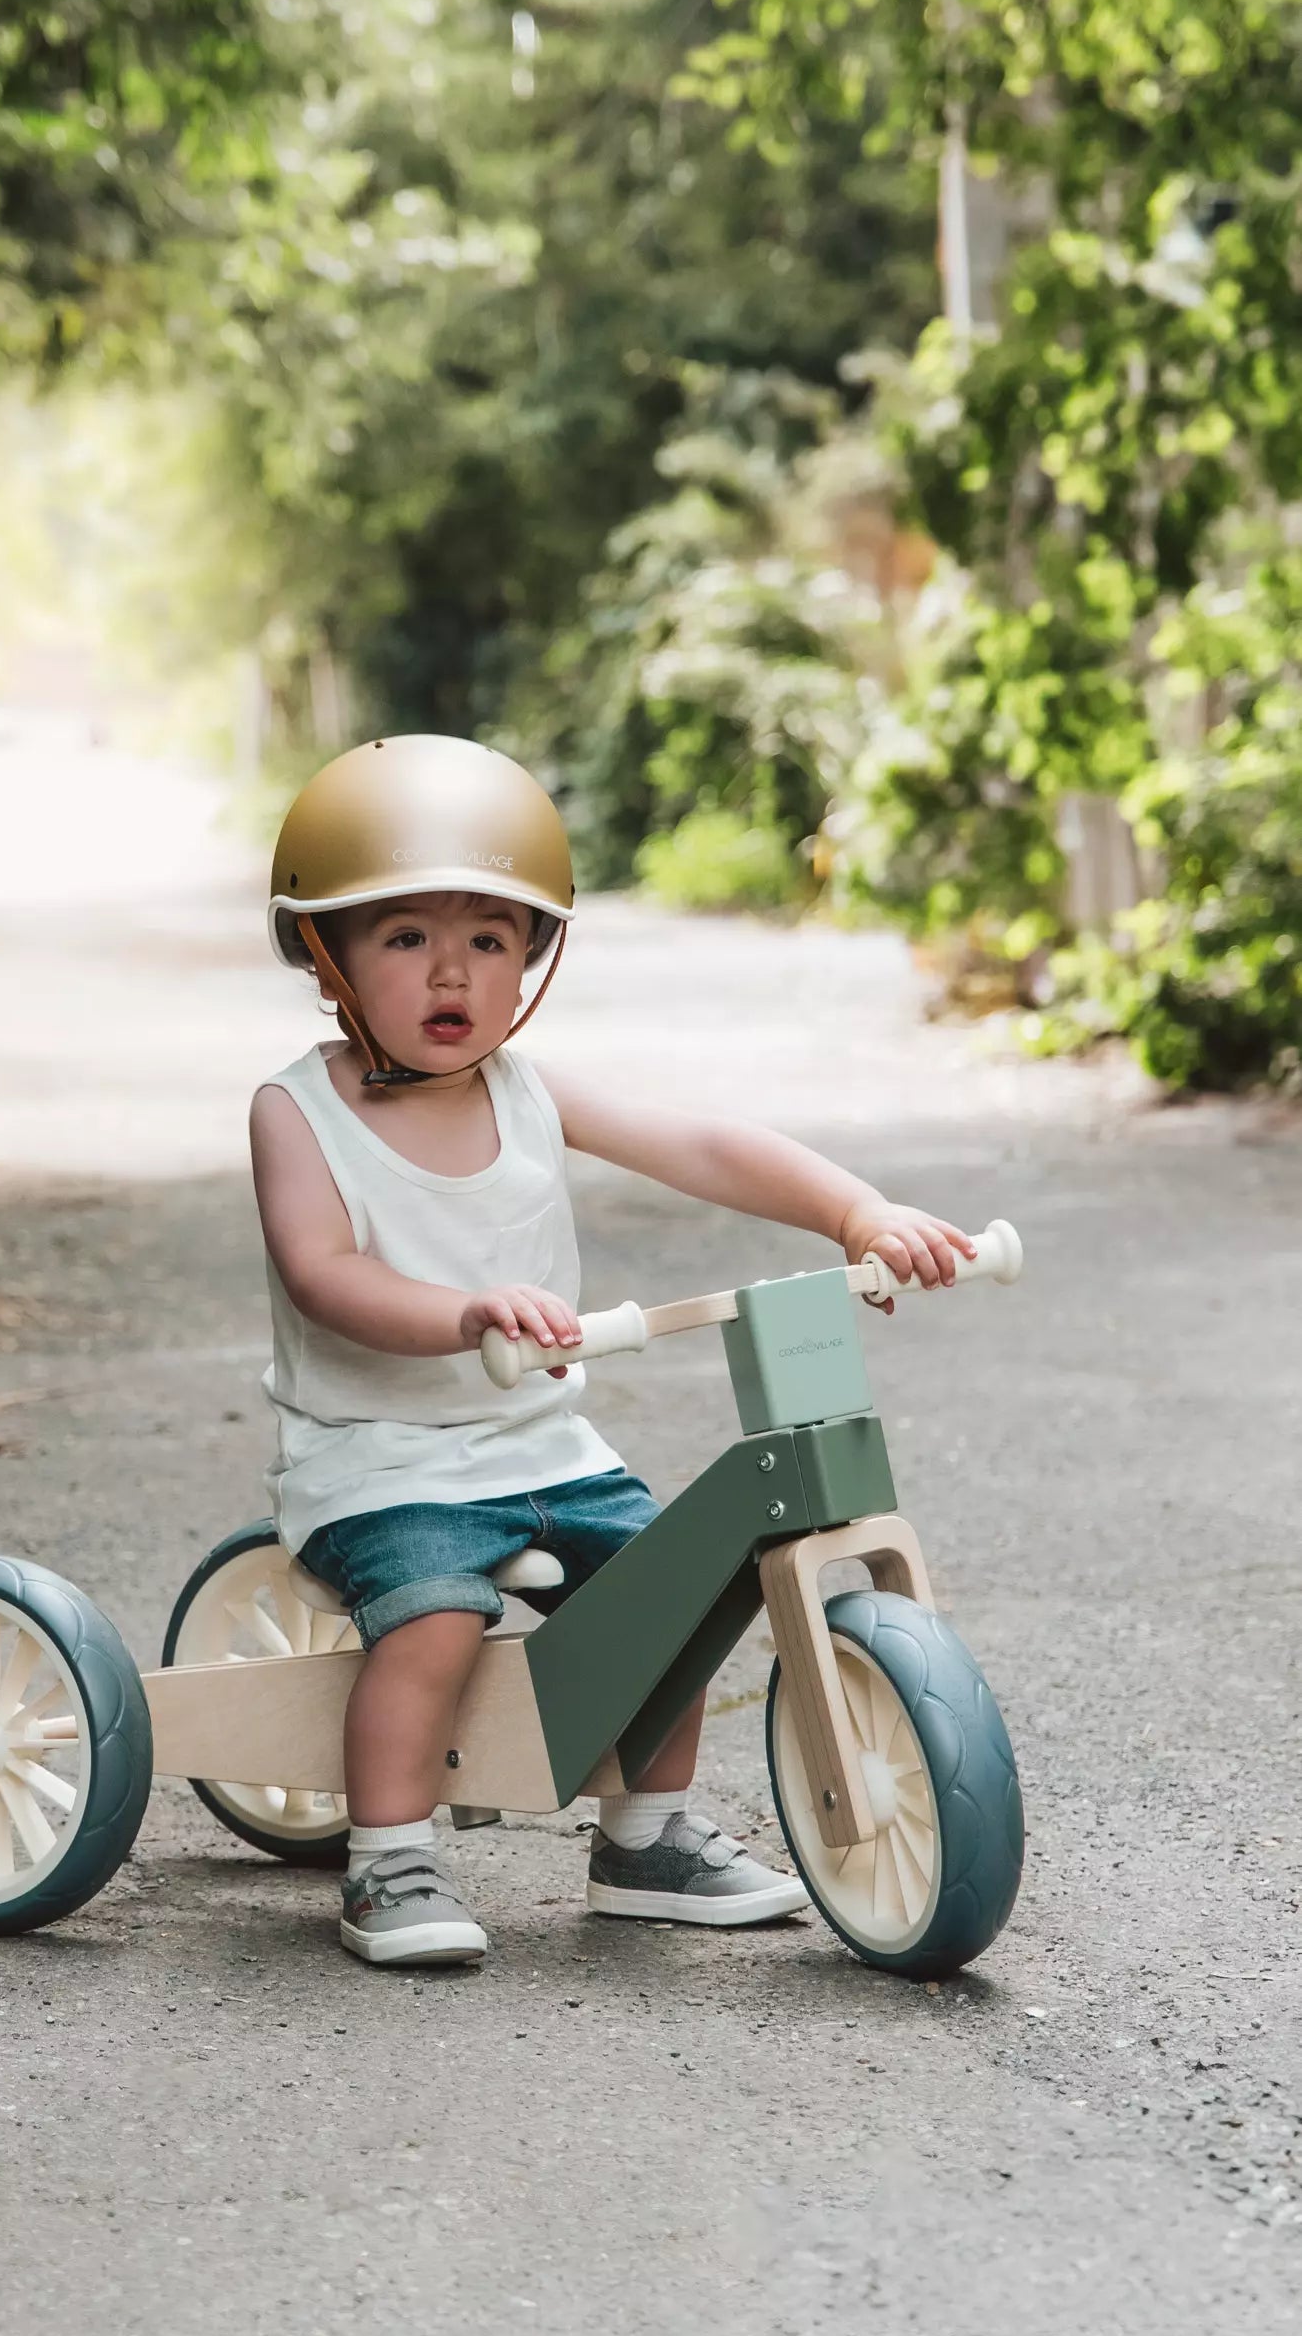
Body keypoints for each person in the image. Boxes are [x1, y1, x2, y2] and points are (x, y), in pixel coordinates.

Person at [251, 735, 974, 1968]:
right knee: (434, 1620)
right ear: (328, 956)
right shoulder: (296, 1111)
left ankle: (644, 1838)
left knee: (672, 1593)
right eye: (407, 936)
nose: (453, 971)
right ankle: (389, 1857)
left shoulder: (527, 1092)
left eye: (491, 940)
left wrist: (855, 1212)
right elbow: (323, 1274)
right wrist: (465, 1312)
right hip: (381, 1457)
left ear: (531, 959)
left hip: (540, 1445)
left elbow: (703, 1145)